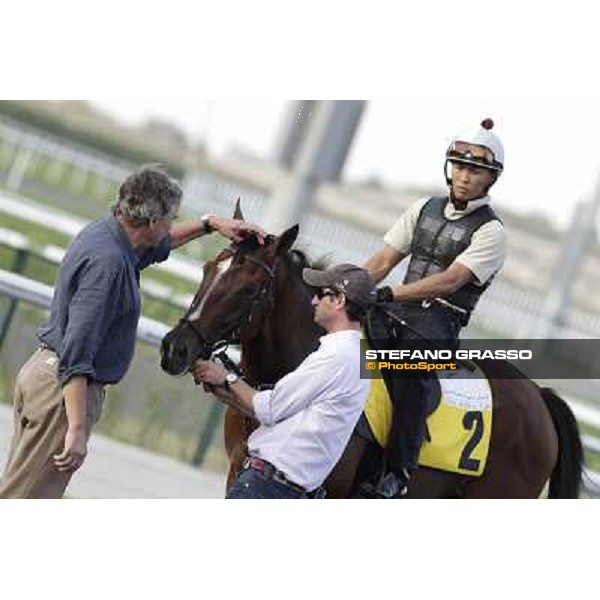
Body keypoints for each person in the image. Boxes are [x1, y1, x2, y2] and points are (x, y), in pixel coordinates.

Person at [0, 165, 266, 499]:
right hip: (62, 393)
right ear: (152, 222)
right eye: (170, 218)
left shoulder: (107, 236)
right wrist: (77, 428)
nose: (171, 226)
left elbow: (158, 246)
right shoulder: (109, 264)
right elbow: (77, 350)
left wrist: (210, 224)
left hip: (44, 377)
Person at [363, 118, 507, 498]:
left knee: (411, 370)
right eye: (459, 166)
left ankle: (398, 472)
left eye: (475, 170)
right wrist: (350, 286)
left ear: (490, 179)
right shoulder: (422, 207)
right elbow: (382, 261)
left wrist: (393, 294)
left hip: (438, 323)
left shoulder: (492, 232)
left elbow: (451, 280)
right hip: (396, 309)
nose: (464, 176)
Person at [193, 264, 375, 499]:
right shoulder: (360, 356)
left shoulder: (335, 355)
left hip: (268, 487)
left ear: (339, 300)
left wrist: (226, 378)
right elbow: (284, 417)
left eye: (320, 294)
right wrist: (223, 390)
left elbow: (269, 409)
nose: (313, 302)